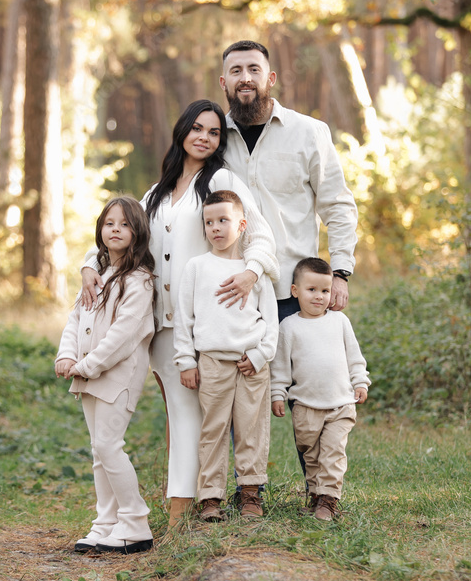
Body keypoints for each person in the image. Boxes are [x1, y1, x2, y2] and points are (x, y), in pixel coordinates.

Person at [80, 100, 279, 528]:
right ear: (182, 130)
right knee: (176, 413)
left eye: (213, 132)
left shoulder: (221, 180)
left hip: (199, 323)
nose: (205, 137)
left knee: (190, 415)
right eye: (197, 129)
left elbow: (259, 232)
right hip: (153, 323)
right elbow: (122, 234)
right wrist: (87, 264)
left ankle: (181, 511)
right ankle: (165, 504)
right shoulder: (156, 192)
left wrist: (251, 271)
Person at [218, 40, 359, 322]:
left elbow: (338, 206)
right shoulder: (212, 139)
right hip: (230, 293)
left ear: (270, 78)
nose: (245, 78)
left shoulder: (309, 132)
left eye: (253, 69)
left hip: (293, 294)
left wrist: (340, 273)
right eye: (236, 71)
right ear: (224, 82)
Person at [56, 197, 156, 554]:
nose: (116, 229)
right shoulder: (98, 273)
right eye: (109, 223)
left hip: (118, 375)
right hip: (89, 373)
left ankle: (135, 522)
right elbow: (76, 318)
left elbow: (123, 337)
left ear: (138, 232)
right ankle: (106, 522)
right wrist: (66, 354)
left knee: (110, 446)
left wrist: (84, 365)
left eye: (125, 224)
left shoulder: (140, 280)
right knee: (99, 451)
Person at [173, 190, 278, 521]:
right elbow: (184, 318)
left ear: (242, 224)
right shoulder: (197, 267)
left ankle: (250, 493)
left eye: (223, 220)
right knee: (213, 429)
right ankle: (211, 497)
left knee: (252, 428)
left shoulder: (254, 272)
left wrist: (261, 356)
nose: (215, 228)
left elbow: (271, 322)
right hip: (212, 362)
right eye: (209, 222)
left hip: (250, 363)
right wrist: (186, 361)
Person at [270, 257, 370, 521]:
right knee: (311, 455)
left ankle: (329, 499)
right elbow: (280, 367)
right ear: (295, 291)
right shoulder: (288, 326)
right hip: (305, 406)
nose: (319, 297)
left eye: (325, 291)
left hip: (339, 404)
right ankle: (316, 495)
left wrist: (360, 381)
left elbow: (354, 357)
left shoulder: (339, 322)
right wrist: (277, 393)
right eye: (311, 290)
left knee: (333, 453)